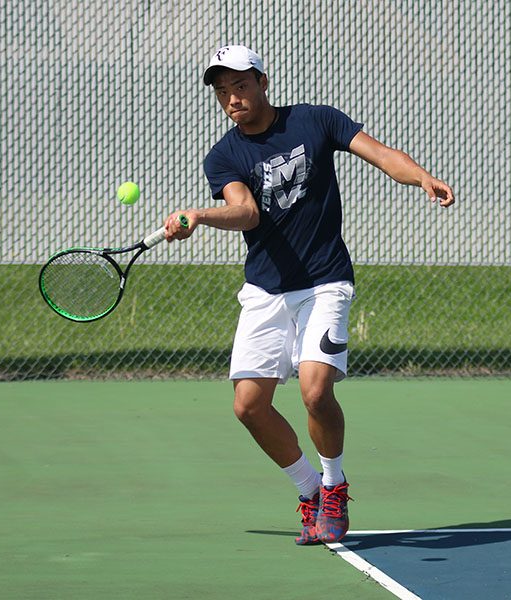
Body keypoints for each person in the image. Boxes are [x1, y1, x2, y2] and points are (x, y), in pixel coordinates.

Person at [163, 45, 455, 545]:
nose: (232, 98)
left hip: (324, 281)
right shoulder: (224, 156)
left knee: (316, 391)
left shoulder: (317, 121)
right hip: (265, 291)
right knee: (248, 407)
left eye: (240, 85)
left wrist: (421, 177)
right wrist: (203, 215)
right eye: (222, 90)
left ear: (262, 81)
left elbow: (381, 154)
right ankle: (308, 492)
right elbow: (247, 212)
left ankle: (334, 485)